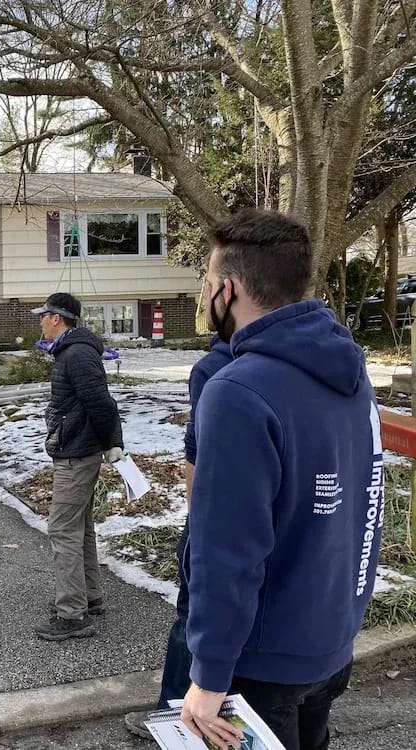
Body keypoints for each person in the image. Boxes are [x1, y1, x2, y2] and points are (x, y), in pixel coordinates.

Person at [180, 209, 384, 750]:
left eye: (205, 283)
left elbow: (227, 549)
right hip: (331, 641)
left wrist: (207, 676)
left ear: (228, 289)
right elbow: (367, 499)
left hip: (262, 663)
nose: (203, 299)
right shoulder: (347, 369)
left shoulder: (237, 390)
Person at [125, 333, 232, 738]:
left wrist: (199, 525)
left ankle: (175, 715)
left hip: (221, 518)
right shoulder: (321, 362)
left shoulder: (214, 369)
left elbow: (198, 452)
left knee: (195, 616)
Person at [32, 292, 124, 641]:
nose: (41, 321)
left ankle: (71, 614)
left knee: (62, 529)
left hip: (76, 453)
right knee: (79, 526)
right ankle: (89, 597)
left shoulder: (77, 355)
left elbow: (101, 403)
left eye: (44, 316)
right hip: (78, 449)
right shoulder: (74, 352)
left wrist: (112, 442)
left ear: (57, 318)